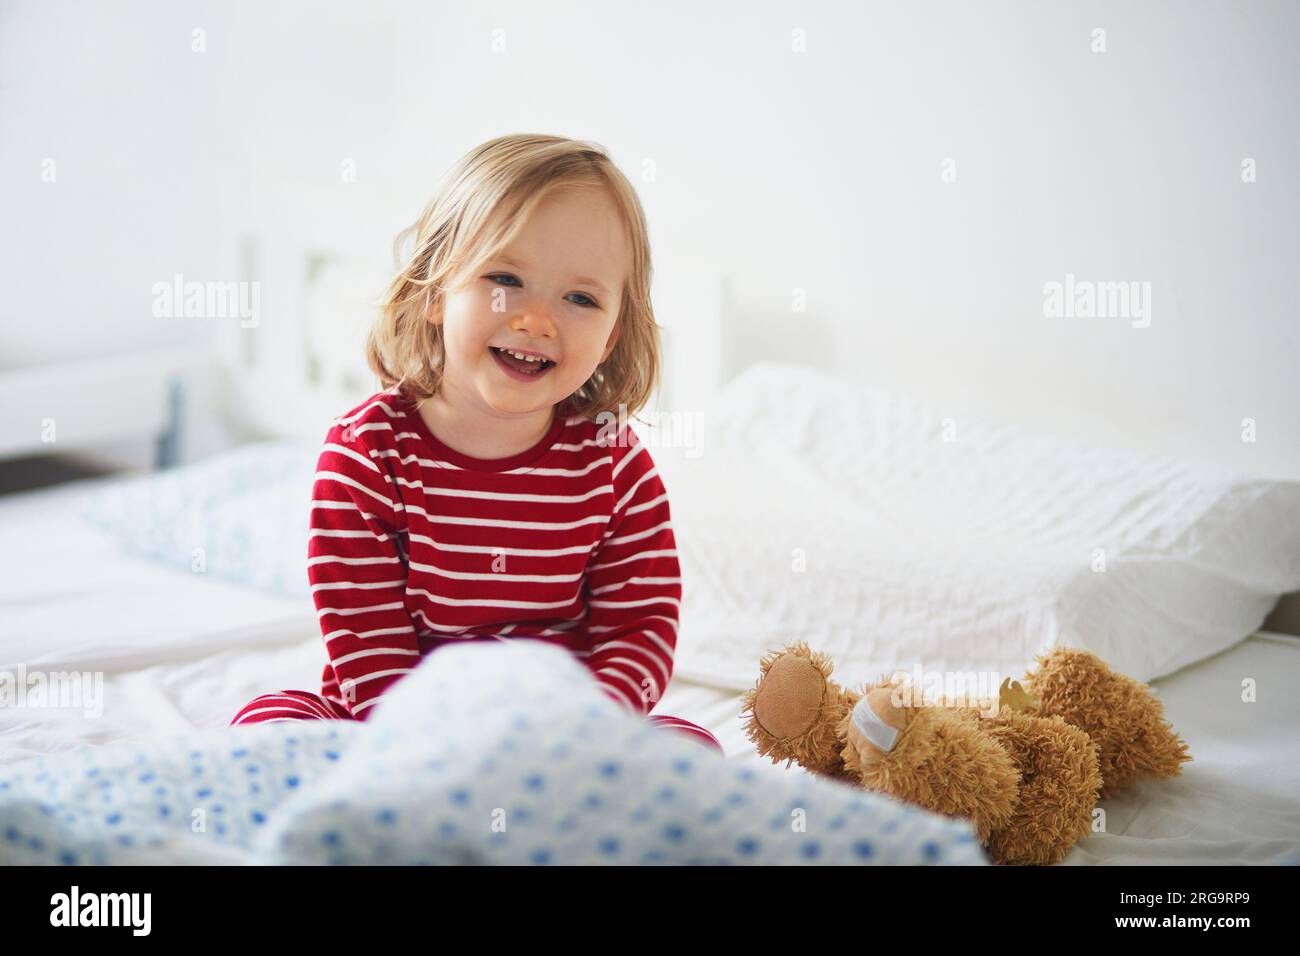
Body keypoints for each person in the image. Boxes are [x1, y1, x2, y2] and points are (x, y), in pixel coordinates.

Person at [230, 133, 722, 756]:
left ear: (611, 332)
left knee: (690, 749)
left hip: (563, 729)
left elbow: (639, 629)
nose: (535, 319)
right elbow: (366, 643)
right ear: (436, 291)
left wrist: (584, 730)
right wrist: (437, 746)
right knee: (267, 730)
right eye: (505, 279)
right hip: (397, 720)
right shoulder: (367, 457)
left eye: (580, 298)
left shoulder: (615, 465)